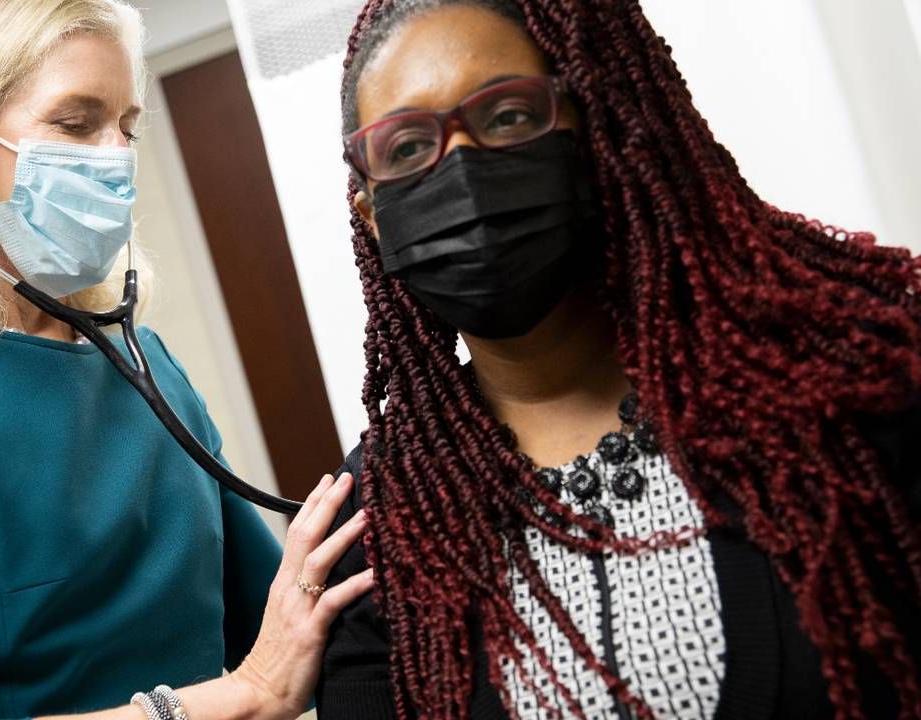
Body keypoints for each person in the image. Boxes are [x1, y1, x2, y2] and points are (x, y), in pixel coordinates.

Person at [317, 1, 921, 718]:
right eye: (408, 147)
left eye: (508, 116)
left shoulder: (846, 383)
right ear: (370, 211)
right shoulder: (381, 520)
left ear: (596, 121)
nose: (463, 171)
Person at [0, 1, 373, 718]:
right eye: (75, 123)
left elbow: (285, 632)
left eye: (127, 126)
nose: (115, 156)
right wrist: (224, 703)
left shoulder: (146, 367)